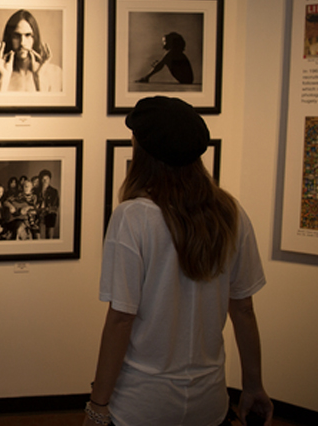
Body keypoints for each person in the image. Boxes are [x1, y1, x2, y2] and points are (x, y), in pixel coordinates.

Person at [84, 96, 272, 426]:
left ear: (143, 153)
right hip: (209, 400)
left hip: (142, 403)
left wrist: (97, 406)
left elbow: (120, 320)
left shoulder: (133, 217)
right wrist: (254, 386)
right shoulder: (230, 213)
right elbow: (243, 309)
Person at [0, 9, 62, 93]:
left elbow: (51, 106)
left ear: (35, 38)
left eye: (28, 35)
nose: (22, 43)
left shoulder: (55, 73)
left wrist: (39, 78)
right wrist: (4, 78)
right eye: (16, 36)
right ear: (9, 38)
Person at [38, 169, 58, 239]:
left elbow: (55, 205)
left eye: (47, 179)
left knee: (50, 235)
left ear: (50, 179)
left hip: (50, 214)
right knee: (41, 235)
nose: (45, 181)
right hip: (40, 214)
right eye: (43, 179)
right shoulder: (37, 190)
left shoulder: (54, 191)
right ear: (40, 180)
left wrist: (47, 209)